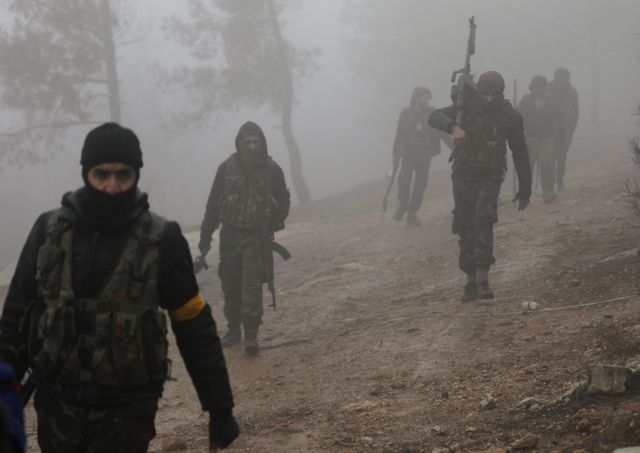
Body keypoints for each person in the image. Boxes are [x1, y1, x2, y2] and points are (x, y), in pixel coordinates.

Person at [0, 122, 239, 452]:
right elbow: (15, 316)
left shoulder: (162, 239)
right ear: (86, 173)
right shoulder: (48, 231)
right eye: (101, 174)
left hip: (127, 409)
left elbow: (194, 326)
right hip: (57, 405)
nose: (112, 187)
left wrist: (220, 407)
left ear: (136, 175)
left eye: (123, 175)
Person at [428, 71, 532, 301]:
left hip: (490, 175)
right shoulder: (464, 107)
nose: (489, 99)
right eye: (485, 94)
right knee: (464, 223)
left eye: (494, 95)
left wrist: (525, 188)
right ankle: (470, 280)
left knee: (484, 221)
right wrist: (452, 127)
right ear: (478, 92)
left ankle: (483, 279)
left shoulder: (510, 116)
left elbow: (520, 152)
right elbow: (433, 116)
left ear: (501, 94)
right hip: (463, 173)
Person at [198, 121, 290, 356]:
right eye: (247, 142)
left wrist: (276, 221)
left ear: (262, 144)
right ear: (239, 144)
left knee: (251, 286)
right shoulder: (225, 169)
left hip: (256, 237)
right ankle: (233, 329)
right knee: (230, 285)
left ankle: (251, 335)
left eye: (256, 142)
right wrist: (205, 237)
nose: (252, 146)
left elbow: (283, 198)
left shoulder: (272, 169)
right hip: (229, 235)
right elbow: (212, 204)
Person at [392, 87, 451, 226]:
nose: (427, 100)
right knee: (404, 181)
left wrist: (454, 147)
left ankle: (412, 213)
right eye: (424, 97)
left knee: (420, 185)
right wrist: (395, 153)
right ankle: (403, 203)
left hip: (424, 155)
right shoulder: (406, 114)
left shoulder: (432, 114)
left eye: (428, 98)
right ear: (417, 98)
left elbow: (442, 132)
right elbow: (399, 134)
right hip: (408, 154)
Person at [517, 75, 564, 203]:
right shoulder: (525, 100)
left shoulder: (551, 101)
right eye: (536, 88)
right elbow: (517, 117)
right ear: (531, 88)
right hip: (529, 138)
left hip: (547, 139)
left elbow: (558, 119)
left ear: (545, 88)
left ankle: (548, 193)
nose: (538, 90)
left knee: (547, 166)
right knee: (527, 168)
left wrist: (560, 137)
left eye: (541, 88)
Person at [548, 67, 579, 192]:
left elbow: (576, 112)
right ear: (556, 78)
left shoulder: (572, 92)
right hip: (549, 129)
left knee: (562, 156)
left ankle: (560, 179)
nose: (562, 80)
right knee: (550, 156)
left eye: (564, 78)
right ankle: (550, 181)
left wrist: (571, 129)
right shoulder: (548, 89)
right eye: (560, 77)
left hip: (565, 130)